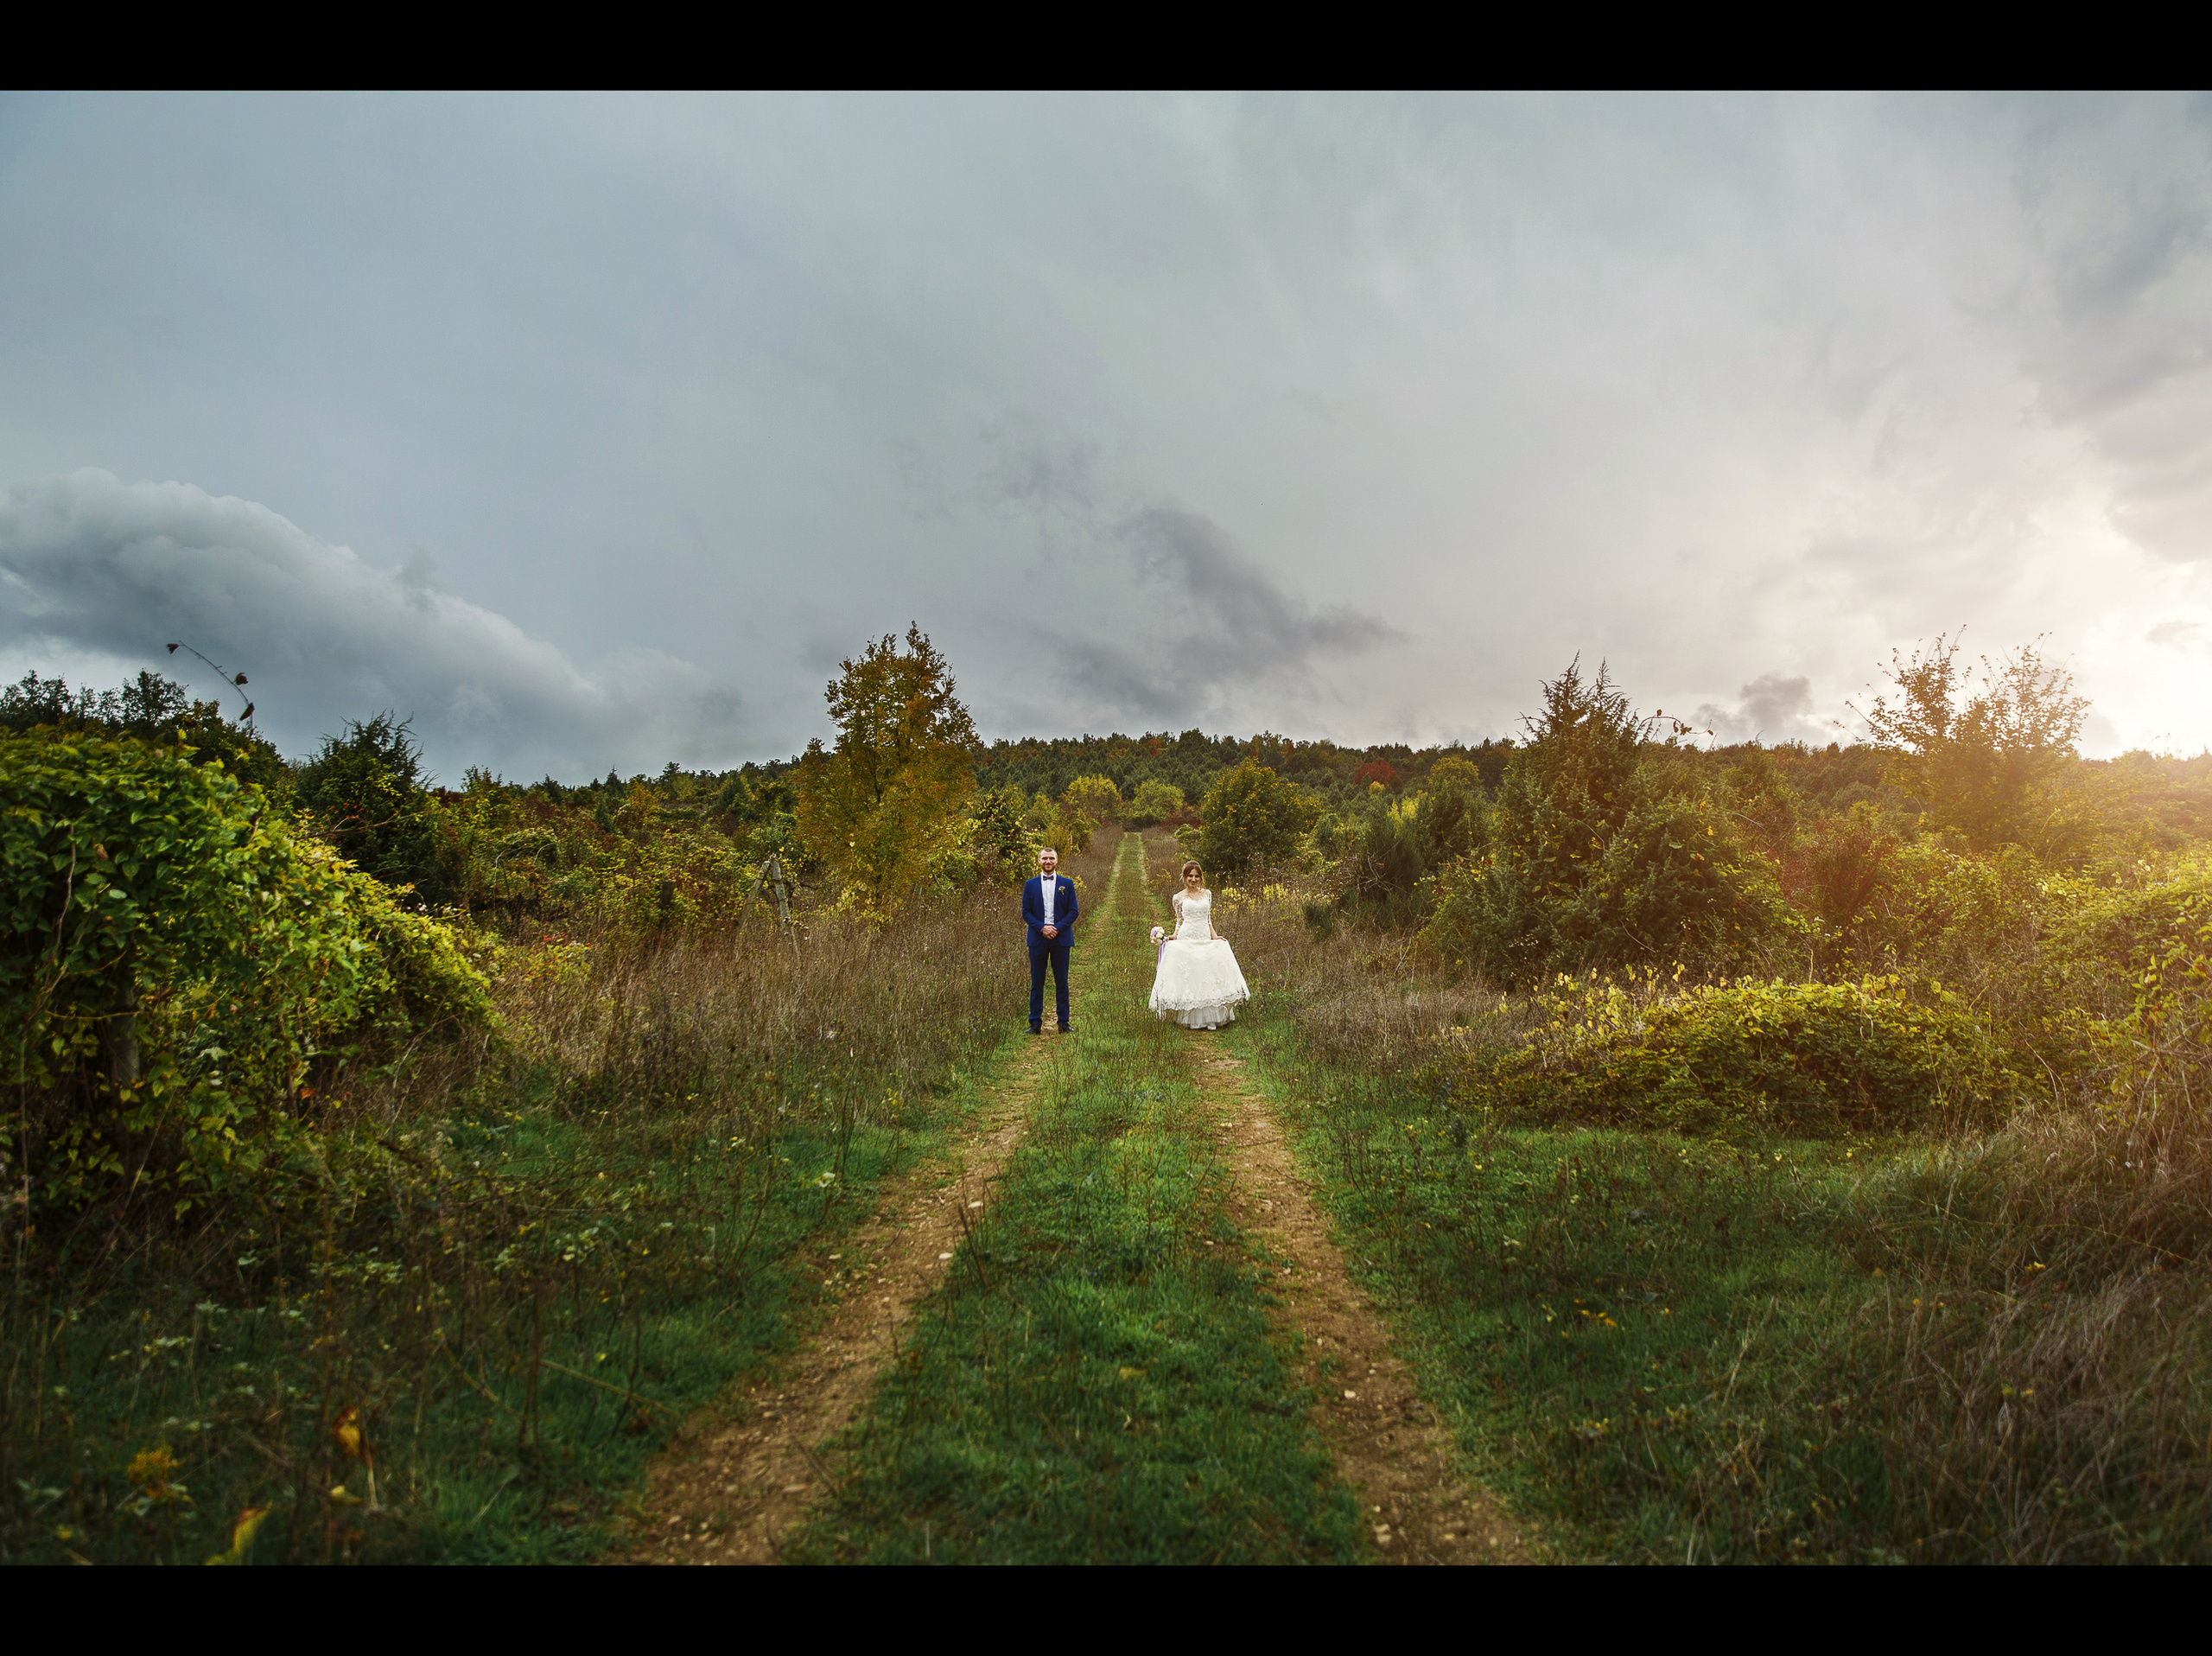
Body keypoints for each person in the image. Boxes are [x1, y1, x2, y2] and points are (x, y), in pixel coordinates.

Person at [1148, 858, 1249, 1030]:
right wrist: (1174, 936)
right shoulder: (1178, 898)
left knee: (1206, 972)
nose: (1193, 879)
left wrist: (1216, 937)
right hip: (1187, 936)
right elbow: (1180, 921)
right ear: (1184, 877)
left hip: (1204, 935)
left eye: (1196, 876)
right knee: (1192, 973)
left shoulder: (1207, 894)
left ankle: (1211, 1017)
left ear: (1200, 878)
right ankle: (1191, 1017)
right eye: (1190, 876)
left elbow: (1208, 919)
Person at [1021, 845, 1078, 1034]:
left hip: (1061, 939)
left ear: (1056, 860)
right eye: (1044, 858)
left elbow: (1073, 911)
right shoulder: (1030, 884)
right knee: (1037, 983)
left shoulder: (1067, 884)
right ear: (1039, 861)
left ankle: (1063, 1023)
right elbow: (1026, 912)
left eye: (1051, 859)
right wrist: (1042, 928)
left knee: (1061, 982)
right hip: (1037, 939)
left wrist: (1056, 928)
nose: (1048, 862)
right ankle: (1035, 1024)